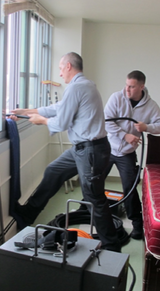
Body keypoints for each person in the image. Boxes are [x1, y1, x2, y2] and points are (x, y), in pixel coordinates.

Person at [10, 52, 121, 252]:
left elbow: (61, 121)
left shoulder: (78, 87)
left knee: (93, 196)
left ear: (68, 66)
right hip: (82, 149)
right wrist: (28, 111)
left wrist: (41, 121)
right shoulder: (84, 85)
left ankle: (112, 246)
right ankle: (27, 214)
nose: (60, 74)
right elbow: (59, 107)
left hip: (91, 151)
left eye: (61, 69)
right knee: (54, 171)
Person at [104, 70, 160, 240]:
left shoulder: (150, 105)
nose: (127, 89)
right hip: (107, 149)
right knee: (93, 182)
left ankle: (137, 224)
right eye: (126, 85)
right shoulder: (116, 98)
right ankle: (91, 212)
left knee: (130, 189)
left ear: (141, 86)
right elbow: (106, 121)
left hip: (126, 154)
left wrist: (147, 127)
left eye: (131, 87)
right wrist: (125, 135)